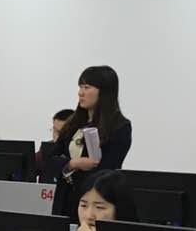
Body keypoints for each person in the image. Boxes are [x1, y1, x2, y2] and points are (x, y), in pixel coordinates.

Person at [46, 65, 132, 219]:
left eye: (87, 87)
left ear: (104, 92)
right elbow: (50, 157)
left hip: (93, 203)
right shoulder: (73, 122)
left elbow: (108, 169)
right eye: (80, 87)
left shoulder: (120, 126)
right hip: (64, 199)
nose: (80, 93)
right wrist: (72, 164)